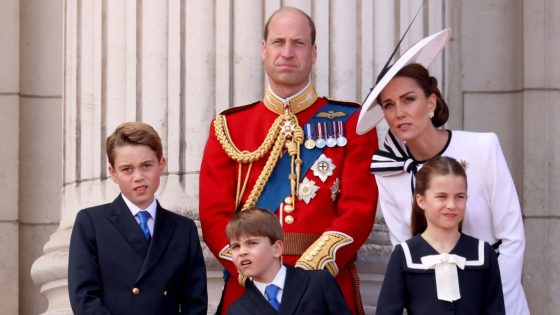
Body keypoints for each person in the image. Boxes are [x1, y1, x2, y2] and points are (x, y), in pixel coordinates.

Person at [199, 6, 379, 315]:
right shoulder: (229, 127)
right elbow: (214, 217)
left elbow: (359, 209)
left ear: (314, 52)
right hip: (250, 290)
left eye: (298, 43)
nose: (287, 52)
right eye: (278, 42)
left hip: (324, 285)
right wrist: (251, 269)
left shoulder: (353, 123)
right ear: (263, 50)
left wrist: (308, 275)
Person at [356, 29, 529, 314]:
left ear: (431, 102)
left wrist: (491, 305)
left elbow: (512, 238)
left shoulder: (483, 147)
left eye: (408, 99)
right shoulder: (387, 171)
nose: (399, 112)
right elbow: (405, 249)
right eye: (389, 105)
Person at [68, 122, 208, 315]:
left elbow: (195, 302)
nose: (138, 177)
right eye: (127, 169)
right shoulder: (91, 222)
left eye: (146, 166)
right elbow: (83, 297)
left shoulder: (183, 229)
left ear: (161, 165)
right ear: (113, 173)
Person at [376, 156, 505, 314]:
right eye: (441, 196)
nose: (451, 205)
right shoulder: (404, 255)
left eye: (459, 197)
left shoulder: (484, 253)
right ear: (421, 200)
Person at [226, 207, 352, 315]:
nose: (242, 252)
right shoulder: (237, 310)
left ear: (276, 249)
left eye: (252, 243)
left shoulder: (318, 282)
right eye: (236, 246)